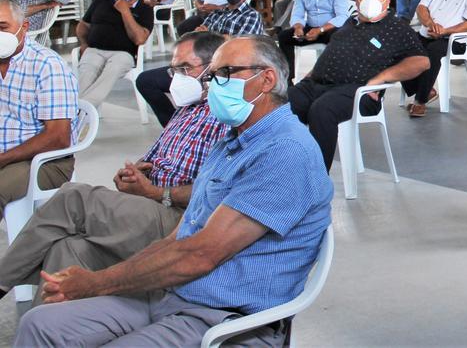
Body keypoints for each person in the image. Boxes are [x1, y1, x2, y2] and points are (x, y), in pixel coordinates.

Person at [15, 36, 332, 346]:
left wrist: (96, 283)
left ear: (266, 80)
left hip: (223, 316)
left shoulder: (285, 151)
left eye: (224, 75)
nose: (210, 86)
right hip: (174, 293)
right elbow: (177, 240)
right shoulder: (231, 144)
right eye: (209, 77)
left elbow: (200, 254)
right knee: (40, 324)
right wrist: (111, 281)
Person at [0, 33, 225, 299]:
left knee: (72, 197)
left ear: (212, 71)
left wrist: (153, 193)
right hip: (150, 202)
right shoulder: (186, 110)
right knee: (69, 248)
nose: (176, 78)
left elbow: (216, 192)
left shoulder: (223, 117)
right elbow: (150, 160)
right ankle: (44, 332)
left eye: (184, 69)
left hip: (178, 217)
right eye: (173, 69)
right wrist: (134, 175)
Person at [289, 0, 430, 169]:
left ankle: (315, 184)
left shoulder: (396, 28)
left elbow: (421, 62)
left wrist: (380, 79)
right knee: (279, 105)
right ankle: (282, 171)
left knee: (322, 111)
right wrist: (311, 74)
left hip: (357, 91)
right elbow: (334, 52)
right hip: (317, 84)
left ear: (387, 1)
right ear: (356, 0)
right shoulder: (350, 22)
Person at [137, 0, 263, 126]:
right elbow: (200, 35)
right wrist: (202, 34)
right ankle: (173, 125)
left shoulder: (251, 15)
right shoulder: (217, 14)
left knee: (189, 89)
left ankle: (187, 125)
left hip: (222, 72)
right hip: (196, 65)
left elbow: (240, 45)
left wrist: (211, 36)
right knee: (145, 81)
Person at [0, 0, 80, 220]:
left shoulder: (46, 65)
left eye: (2, 27)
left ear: (23, 27)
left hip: (44, 161)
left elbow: (58, 138)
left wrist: (3, 159)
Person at [76, 0, 154, 106]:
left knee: (109, 74)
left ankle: (80, 111)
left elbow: (139, 39)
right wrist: (83, 43)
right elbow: (83, 26)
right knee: (85, 76)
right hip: (94, 49)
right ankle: (80, 112)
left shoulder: (145, 8)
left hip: (123, 54)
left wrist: (125, 11)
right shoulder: (102, 0)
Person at [276, 0, 350, 78]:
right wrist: (298, 27)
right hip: (311, 30)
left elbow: (342, 16)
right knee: (283, 37)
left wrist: (320, 29)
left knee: (338, 37)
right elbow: (297, 13)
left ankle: (330, 77)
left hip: (331, 30)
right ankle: (288, 79)